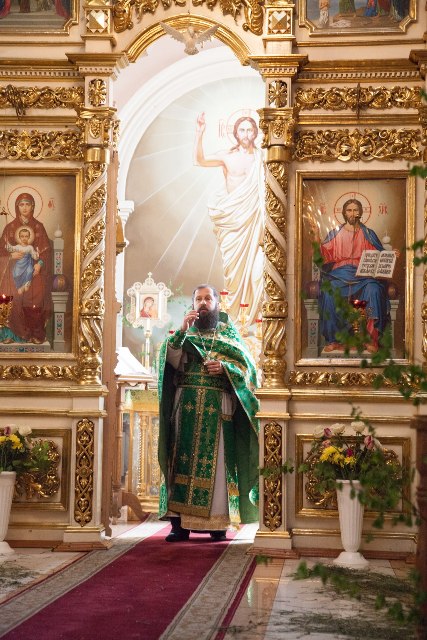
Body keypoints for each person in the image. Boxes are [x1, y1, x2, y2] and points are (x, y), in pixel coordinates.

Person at [157, 284, 259, 542]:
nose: (203, 303)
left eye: (208, 299)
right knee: (180, 460)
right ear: (193, 305)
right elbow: (169, 360)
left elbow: (247, 370)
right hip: (186, 405)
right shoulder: (185, 334)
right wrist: (181, 331)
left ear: (216, 304)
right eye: (198, 299)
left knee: (219, 463)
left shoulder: (229, 335)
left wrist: (225, 368)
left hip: (218, 405)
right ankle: (179, 525)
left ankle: (218, 524)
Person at [194, 113, 264, 327]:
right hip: (233, 221)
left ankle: (253, 322)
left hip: (253, 219)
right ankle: (233, 319)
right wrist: (199, 133)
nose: (246, 134)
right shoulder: (227, 156)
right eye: (242, 130)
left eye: (249, 130)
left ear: (255, 132)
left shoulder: (261, 157)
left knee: (256, 274)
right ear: (236, 133)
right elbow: (200, 160)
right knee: (233, 272)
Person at [312, 198, 395, 354]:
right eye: (349, 210)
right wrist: (316, 238)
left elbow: (380, 257)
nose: (352, 213)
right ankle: (333, 340)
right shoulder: (335, 234)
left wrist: (390, 255)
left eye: (356, 210)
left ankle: (370, 340)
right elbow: (321, 258)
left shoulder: (368, 234)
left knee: (374, 290)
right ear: (344, 213)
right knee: (329, 292)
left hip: (364, 276)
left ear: (361, 212)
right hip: (339, 275)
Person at [0, 192, 52, 345]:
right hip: (12, 272)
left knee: (37, 293)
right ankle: (9, 333)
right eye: (21, 204)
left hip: (33, 272)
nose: (24, 208)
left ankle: (34, 333)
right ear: (17, 207)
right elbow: (2, 251)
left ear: (33, 206)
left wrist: (39, 264)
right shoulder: (9, 228)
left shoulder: (38, 227)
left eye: (27, 204)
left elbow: (45, 252)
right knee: (8, 294)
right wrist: (10, 256)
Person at [7, 227, 39, 295]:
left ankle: (26, 284)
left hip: (27, 264)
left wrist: (37, 254)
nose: (24, 238)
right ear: (19, 237)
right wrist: (8, 245)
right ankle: (19, 286)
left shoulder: (30, 247)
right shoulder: (18, 246)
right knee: (16, 274)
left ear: (29, 237)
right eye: (22, 236)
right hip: (19, 264)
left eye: (26, 236)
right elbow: (11, 249)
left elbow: (34, 256)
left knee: (30, 271)